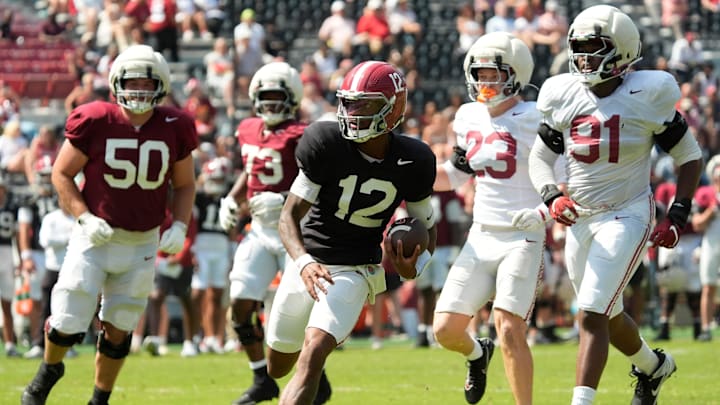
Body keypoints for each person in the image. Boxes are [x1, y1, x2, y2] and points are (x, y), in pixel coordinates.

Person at [527, 6, 703, 405]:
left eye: (594, 47)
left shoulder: (648, 93)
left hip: (627, 213)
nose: (584, 57)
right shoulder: (565, 93)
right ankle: (654, 366)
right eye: (579, 48)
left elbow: (689, 156)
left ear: (621, 51)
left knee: (589, 312)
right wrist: (553, 196)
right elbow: (539, 158)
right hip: (582, 218)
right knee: (607, 314)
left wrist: (677, 214)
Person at [21, 44, 198, 405]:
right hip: (95, 236)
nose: (138, 91)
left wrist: (178, 225)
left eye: (146, 84)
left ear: (160, 86)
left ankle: (100, 398)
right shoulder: (96, 119)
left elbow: (184, 184)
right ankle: (49, 370)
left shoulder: (174, 125)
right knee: (68, 313)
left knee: (121, 324)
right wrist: (83, 216)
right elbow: (61, 173)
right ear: (116, 83)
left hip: (143, 241)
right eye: (131, 82)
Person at [265, 60, 437, 405]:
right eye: (348, 102)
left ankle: (312, 375)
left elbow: (426, 230)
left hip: (355, 269)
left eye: (365, 104)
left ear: (393, 109)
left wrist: (414, 267)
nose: (353, 112)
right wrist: (302, 262)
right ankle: (314, 383)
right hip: (308, 261)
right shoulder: (326, 141)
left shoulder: (414, 159)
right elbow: (288, 217)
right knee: (277, 365)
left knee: (313, 352)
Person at [431, 32, 561, 405]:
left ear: (515, 75)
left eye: (494, 75)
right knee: (445, 330)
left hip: (523, 236)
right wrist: (414, 175)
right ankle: (477, 354)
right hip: (481, 234)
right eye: (481, 75)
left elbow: (564, 178)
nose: (485, 83)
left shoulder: (537, 117)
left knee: (509, 327)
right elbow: (454, 175)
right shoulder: (469, 116)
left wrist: (541, 212)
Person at [217, 61, 306, 405]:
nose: (269, 105)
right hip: (257, 230)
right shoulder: (248, 129)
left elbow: (319, 184)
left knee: (293, 311)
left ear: (292, 98)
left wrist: (284, 198)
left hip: (293, 230)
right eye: (264, 97)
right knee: (239, 304)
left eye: (276, 97)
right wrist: (232, 197)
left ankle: (314, 377)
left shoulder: (301, 134)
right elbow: (251, 169)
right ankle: (262, 378)